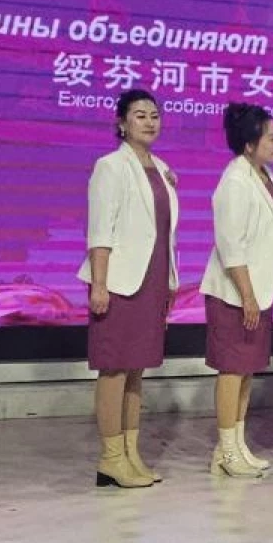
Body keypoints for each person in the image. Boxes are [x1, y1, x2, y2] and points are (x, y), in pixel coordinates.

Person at [79, 88, 179, 489]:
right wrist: (100, 284)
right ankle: (110, 458)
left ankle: (131, 453)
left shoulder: (162, 169)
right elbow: (100, 231)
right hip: (119, 282)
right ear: (121, 123)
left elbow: (163, 233)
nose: (149, 122)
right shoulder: (110, 167)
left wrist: (169, 282)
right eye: (140, 115)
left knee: (137, 370)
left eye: (154, 115)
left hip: (152, 280)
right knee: (115, 368)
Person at [199, 103, 273, 477]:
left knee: (247, 370)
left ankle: (237, 444)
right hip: (234, 293)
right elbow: (231, 245)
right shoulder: (235, 181)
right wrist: (248, 295)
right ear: (250, 144)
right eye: (271, 138)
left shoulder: (264, 176)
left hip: (259, 291)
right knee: (232, 369)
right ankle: (225, 450)